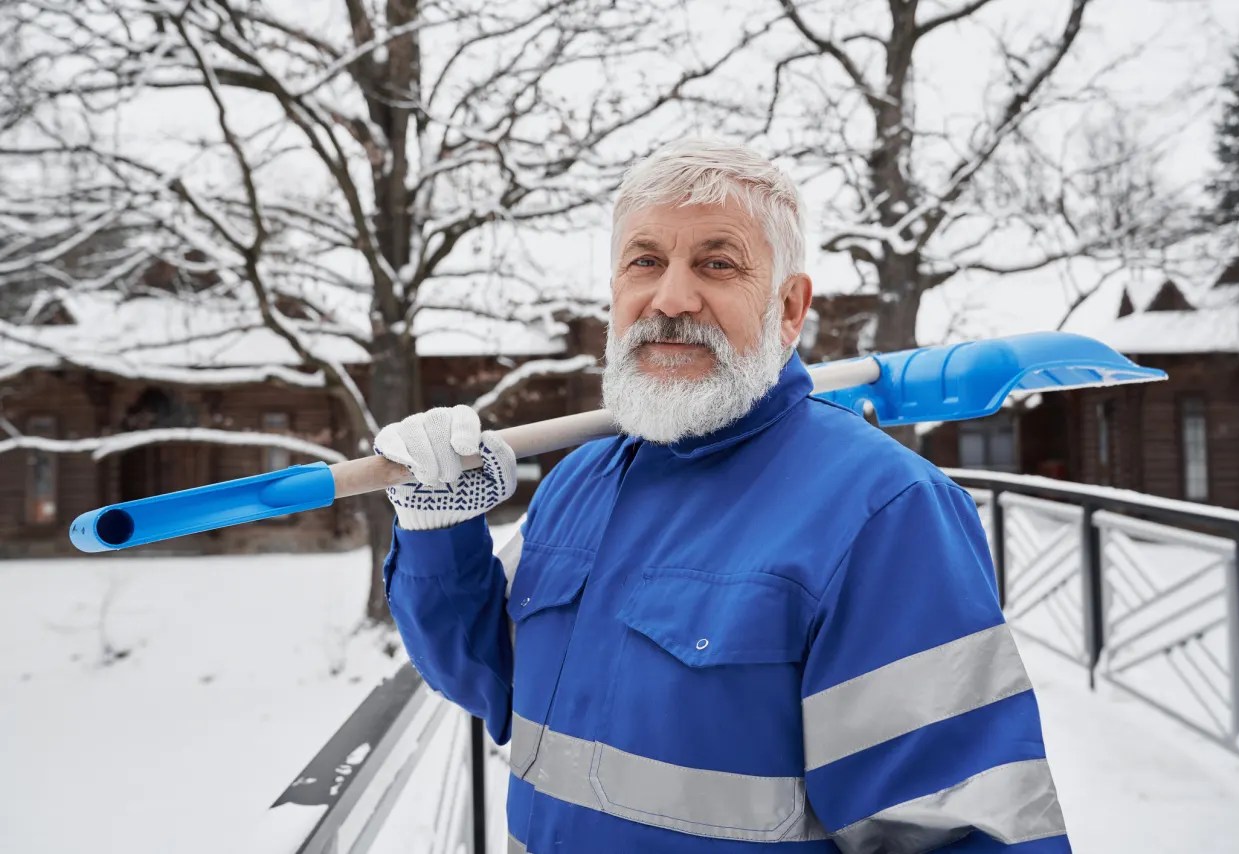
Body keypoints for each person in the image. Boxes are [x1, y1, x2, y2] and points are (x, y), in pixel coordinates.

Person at [375, 139, 1069, 853]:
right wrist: (439, 526)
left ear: (790, 306)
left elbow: (955, 833)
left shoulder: (884, 512)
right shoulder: (581, 481)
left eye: (717, 262)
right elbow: (491, 680)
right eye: (646, 261)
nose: (672, 298)